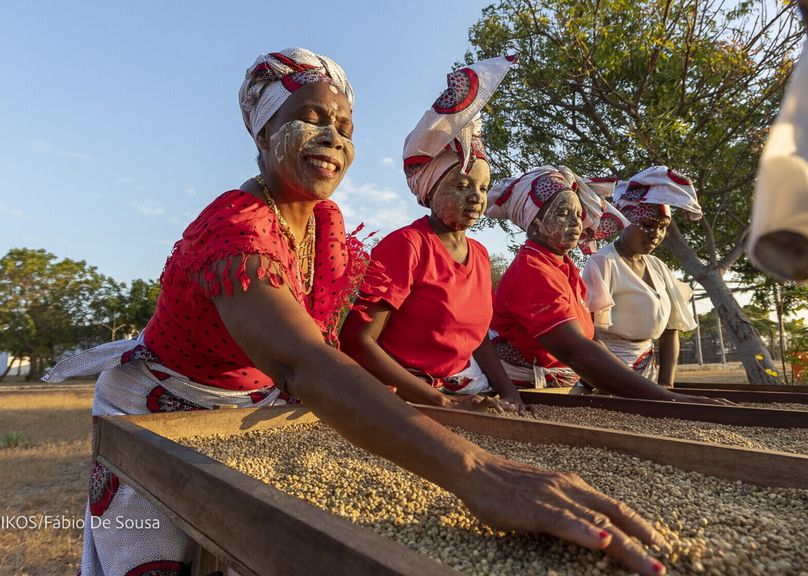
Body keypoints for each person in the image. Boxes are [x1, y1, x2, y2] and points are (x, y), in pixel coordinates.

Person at [44, 47, 668, 576]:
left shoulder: (326, 223)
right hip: (161, 409)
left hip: (252, 410)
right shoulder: (236, 230)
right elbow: (300, 361)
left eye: (343, 128)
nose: (331, 140)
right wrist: (479, 473)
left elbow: (326, 347)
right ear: (261, 131)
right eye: (308, 119)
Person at [340, 56, 525, 413]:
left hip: (464, 383)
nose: (476, 198)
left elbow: (477, 340)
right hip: (405, 391)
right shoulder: (407, 247)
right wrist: (444, 403)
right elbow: (358, 341)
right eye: (460, 185)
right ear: (429, 189)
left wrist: (510, 395)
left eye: (483, 188)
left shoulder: (481, 255)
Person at [485, 166, 728, 405]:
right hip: (525, 389)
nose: (576, 223)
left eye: (578, 214)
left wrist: (658, 389)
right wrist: (670, 398)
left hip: (558, 383)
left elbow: (589, 339)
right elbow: (575, 350)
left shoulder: (564, 267)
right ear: (535, 225)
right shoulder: (533, 271)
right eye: (562, 214)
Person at [582, 167, 702, 388]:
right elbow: (588, 333)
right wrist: (618, 379)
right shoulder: (604, 262)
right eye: (647, 225)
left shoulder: (659, 268)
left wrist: (666, 386)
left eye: (662, 227)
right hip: (608, 374)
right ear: (625, 221)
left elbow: (670, 329)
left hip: (648, 372)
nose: (655, 234)